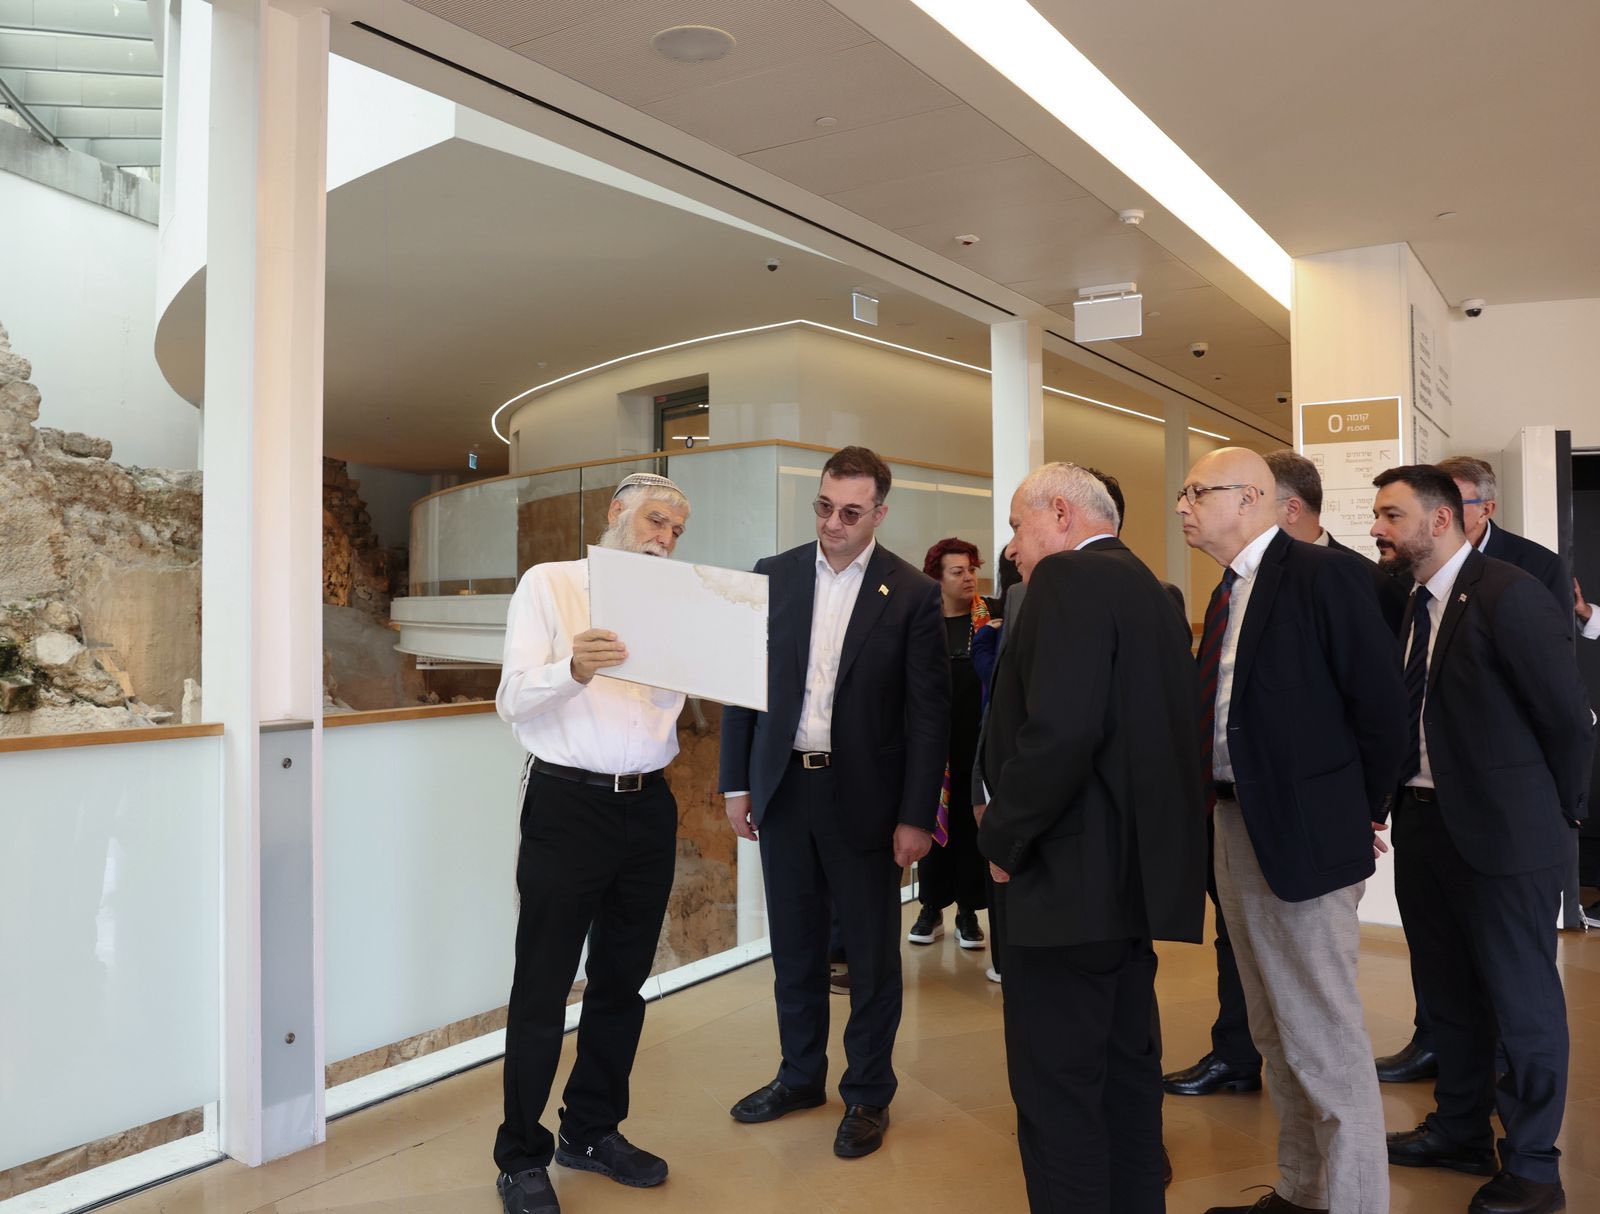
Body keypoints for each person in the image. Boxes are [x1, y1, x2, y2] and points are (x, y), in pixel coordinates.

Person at [1178, 447, 1405, 1214]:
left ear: (1250, 497)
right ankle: (1304, 1190)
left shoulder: (1323, 574)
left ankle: (1355, 1202)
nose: (1182, 506)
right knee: (1273, 1030)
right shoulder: (1227, 591)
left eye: (1196, 492)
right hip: (1233, 822)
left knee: (1325, 1040)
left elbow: (1381, 708)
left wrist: (1358, 811)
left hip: (1305, 834)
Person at [979, 462, 1205, 1213]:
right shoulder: (1151, 589)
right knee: (1126, 1076)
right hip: (1129, 883)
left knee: (1058, 1089)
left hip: (1064, 883)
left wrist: (1003, 838)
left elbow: (1061, 733)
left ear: (1061, 513)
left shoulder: (1065, 580)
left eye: (1018, 525)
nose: (1012, 547)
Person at [1372, 465, 1592, 1214]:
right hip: (1426, 824)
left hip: (1507, 836)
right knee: (1448, 995)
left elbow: (1566, 720)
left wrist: (1561, 814)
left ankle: (1533, 1169)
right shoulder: (1415, 602)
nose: (1377, 528)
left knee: (1520, 1003)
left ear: (1441, 520)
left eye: (1391, 515)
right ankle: (1459, 1129)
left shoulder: (1509, 594)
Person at [720, 445, 949, 1159]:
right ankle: (799, 1077)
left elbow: (928, 717)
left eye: (850, 512)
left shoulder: (910, 593)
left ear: (879, 513)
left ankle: (868, 1093)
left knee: (872, 957)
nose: (832, 523)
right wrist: (737, 782)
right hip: (785, 788)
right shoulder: (773, 575)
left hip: (867, 801)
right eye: (824, 506)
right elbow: (742, 685)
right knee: (795, 946)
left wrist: (917, 815)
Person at [491, 473, 693, 1214]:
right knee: (543, 986)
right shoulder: (549, 585)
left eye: (676, 530)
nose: (665, 538)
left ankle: (590, 1129)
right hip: (567, 804)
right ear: (616, 513)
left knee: (621, 983)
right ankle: (521, 1155)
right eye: (656, 520)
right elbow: (511, 699)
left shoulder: (679, 603)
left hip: (649, 806)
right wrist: (573, 668)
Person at [907, 537, 999, 952]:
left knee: (971, 824)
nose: (968, 578)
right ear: (937, 578)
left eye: (972, 570)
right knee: (931, 821)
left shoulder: (992, 616)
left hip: (977, 742)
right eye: (958, 572)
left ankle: (967, 911)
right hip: (932, 743)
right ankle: (931, 907)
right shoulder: (923, 621)